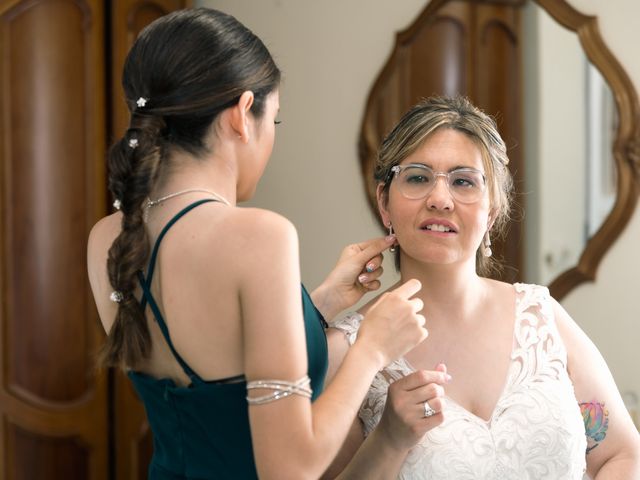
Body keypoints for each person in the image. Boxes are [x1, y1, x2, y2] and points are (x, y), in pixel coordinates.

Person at [86, 8, 430, 480]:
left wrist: (323, 301)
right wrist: (372, 348)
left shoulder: (107, 238)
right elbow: (290, 468)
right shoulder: (260, 237)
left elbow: (217, 369)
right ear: (243, 114)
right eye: (276, 120)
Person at [324, 95, 640, 479]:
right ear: (384, 202)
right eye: (418, 177)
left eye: (463, 181)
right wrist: (389, 439)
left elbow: (621, 456)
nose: (440, 199)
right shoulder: (344, 351)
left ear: (491, 211)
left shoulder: (541, 317)